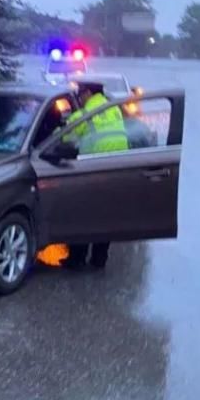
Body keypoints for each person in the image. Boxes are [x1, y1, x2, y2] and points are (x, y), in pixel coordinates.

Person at [65, 80, 128, 270]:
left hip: (93, 168)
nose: (79, 97)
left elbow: (64, 139)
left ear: (88, 94)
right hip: (119, 168)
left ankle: (77, 258)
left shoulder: (83, 116)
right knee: (105, 215)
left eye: (80, 93)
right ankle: (100, 259)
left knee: (81, 214)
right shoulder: (114, 109)